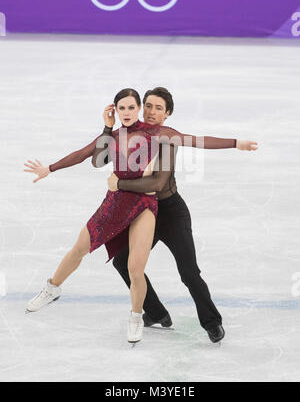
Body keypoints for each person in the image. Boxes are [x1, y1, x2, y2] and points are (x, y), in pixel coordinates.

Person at [24, 87, 258, 344]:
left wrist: (236, 143)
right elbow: (92, 157)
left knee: (189, 273)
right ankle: (156, 313)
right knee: (123, 262)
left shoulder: (167, 139)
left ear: (167, 113)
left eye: (159, 108)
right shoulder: (127, 134)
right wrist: (51, 167)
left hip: (169, 212)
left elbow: (161, 180)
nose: (152, 111)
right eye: (148, 105)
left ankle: (212, 322)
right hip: (141, 208)